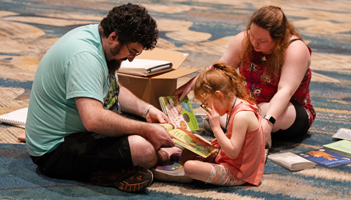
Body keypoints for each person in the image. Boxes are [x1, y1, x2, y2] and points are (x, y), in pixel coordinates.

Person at [25, 3, 180, 193]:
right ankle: (167, 157)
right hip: (53, 151)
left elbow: (113, 89)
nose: (132, 59)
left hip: (76, 132)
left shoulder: (99, 38)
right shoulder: (85, 56)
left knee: (142, 126)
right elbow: (94, 120)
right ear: (114, 37)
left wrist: (147, 110)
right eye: (132, 51)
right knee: (144, 149)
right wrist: (147, 131)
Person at [175, 6, 316, 148]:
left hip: (284, 111)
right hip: (248, 107)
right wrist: (192, 83)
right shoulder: (244, 39)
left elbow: (285, 90)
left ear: (278, 39)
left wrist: (267, 122)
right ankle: (246, 132)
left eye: (262, 40)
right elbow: (220, 68)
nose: (255, 43)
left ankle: (239, 129)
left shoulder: (295, 49)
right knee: (218, 103)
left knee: (261, 111)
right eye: (252, 36)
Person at [182, 62, 264, 186]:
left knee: (189, 167)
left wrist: (216, 128)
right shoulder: (235, 106)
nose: (206, 108)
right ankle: (179, 167)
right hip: (226, 158)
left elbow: (233, 152)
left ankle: (182, 172)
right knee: (192, 142)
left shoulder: (242, 115)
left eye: (206, 103)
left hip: (238, 173)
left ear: (219, 96)